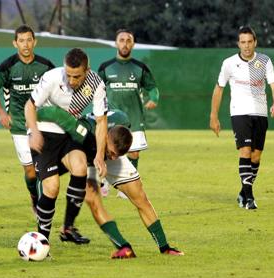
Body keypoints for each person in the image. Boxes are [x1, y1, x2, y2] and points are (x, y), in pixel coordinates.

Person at [38, 107, 184, 258]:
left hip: (104, 148)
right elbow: (59, 116)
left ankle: (165, 247)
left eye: (118, 154)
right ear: (105, 137)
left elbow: (115, 144)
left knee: (140, 197)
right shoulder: (85, 131)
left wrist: (112, 154)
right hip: (87, 153)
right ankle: (124, 247)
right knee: (92, 199)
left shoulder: (122, 123)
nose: (113, 158)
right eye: (113, 153)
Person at [24, 48, 108, 245]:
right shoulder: (51, 77)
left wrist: (100, 155)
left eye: (76, 76)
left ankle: (68, 229)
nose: (71, 80)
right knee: (52, 188)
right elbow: (30, 106)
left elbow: (101, 121)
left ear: (87, 71)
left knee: (80, 169)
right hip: (43, 132)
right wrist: (34, 131)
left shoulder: (96, 84)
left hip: (68, 132)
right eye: (68, 75)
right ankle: (41, 239)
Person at [210, 26, 274, 210]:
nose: (247, 46)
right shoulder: (229, 63)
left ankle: (244, 191)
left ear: (255, 42)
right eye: (243, 42)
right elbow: (219, 88)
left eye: (250, 42)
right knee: (245, 151)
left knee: (256, 157)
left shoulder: (265, 61)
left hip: (260, 112)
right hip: (239, 112)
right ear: (238, 43)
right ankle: (249, 198)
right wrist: (214, 116)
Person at [0, 24, 55, 214]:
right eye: (21, 41)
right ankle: (34, 197)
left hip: (42, 123)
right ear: (15, 43)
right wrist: (1, 112)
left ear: (35, 42)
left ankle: (44, 208)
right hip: (18, 124)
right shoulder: (7, 66)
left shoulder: (46, 65)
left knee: (44, 169)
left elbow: (57, 88)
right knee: (31, 172)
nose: (25, 45)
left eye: (29, 40)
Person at [98, 28, 160, 199]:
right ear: (116, 43)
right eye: (122, 40)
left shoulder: (140, 68)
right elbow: (97, 89)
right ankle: (103, 183)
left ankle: (126, 186)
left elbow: (152, 87)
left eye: (128, 40)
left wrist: (154, 98)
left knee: (133, 153)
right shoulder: (105, 67)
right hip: (111, 118)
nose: (125, 43)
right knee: (106, 150)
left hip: (134, 117)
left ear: (133, 44)